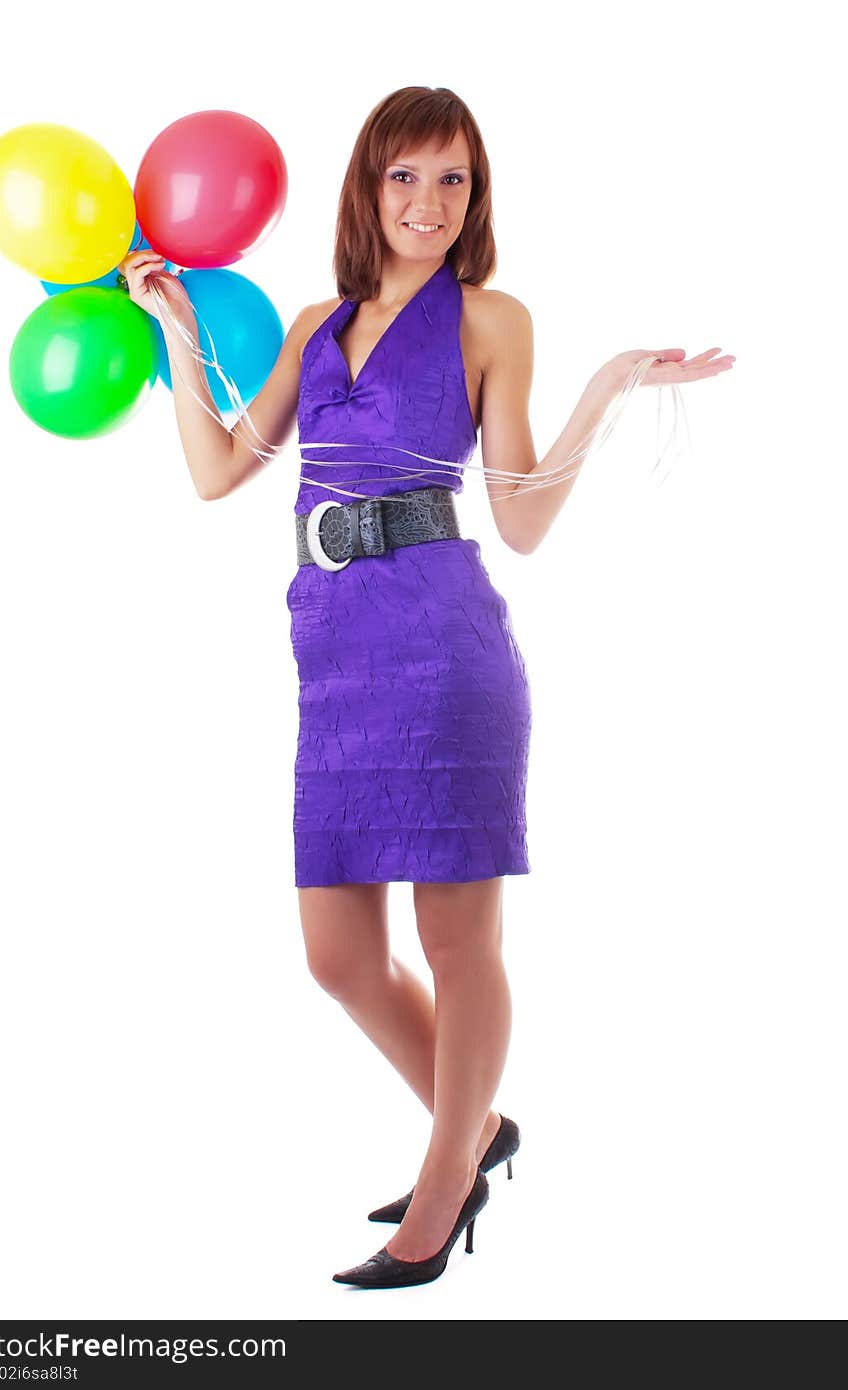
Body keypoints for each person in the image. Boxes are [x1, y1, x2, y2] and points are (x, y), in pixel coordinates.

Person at [119, 86, 734, 1290]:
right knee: (339, 953)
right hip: (333, 656)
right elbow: (212, 473)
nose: (428, 202)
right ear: (368, 187)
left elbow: (521, 518)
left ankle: (446, 1178)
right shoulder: (313, 322)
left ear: (475, 195)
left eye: (452, 179)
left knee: (455, 940)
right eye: (406, 176)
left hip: (444, 648)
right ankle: (480, 1127)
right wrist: (179, 327)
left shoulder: (491, 318)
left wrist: (607, 388)